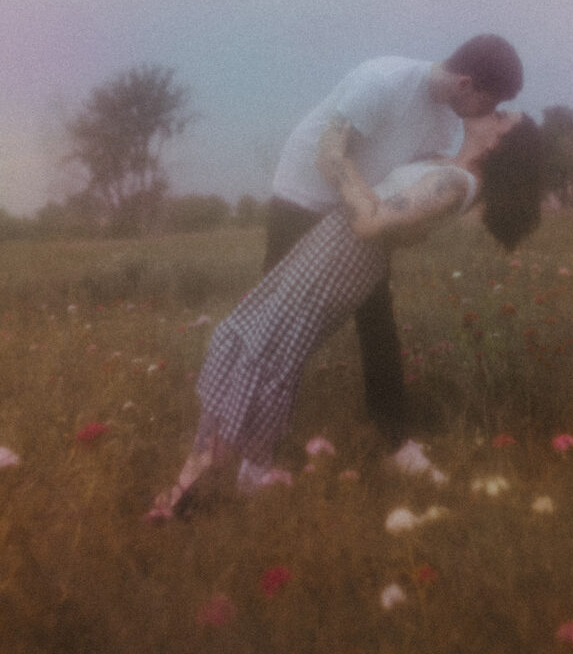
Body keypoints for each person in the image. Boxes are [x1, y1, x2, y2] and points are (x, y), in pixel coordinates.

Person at [146, 109, 542, 520]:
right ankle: (222, 486)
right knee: (253, 348)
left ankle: (189, 495)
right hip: (331, 252)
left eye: (501, 117)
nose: (490, 111)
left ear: (498, 143)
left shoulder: (454, 183)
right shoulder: (448, 168)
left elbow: (372, 224)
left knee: (258, 355)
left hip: (339, 263)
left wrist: (338, 159)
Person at [264, 35, 524, 444]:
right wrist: (369, 216)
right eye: (489, 104)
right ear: (465, 85)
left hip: (358, 209)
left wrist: (399, 227)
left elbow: (407, 187)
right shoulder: (382, 79)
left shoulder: (444, 120)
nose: (488, 115)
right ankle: (257, 446)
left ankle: (395, 441)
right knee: (277, 322)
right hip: (302, 198)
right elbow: (329, 154)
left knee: (376, 316)